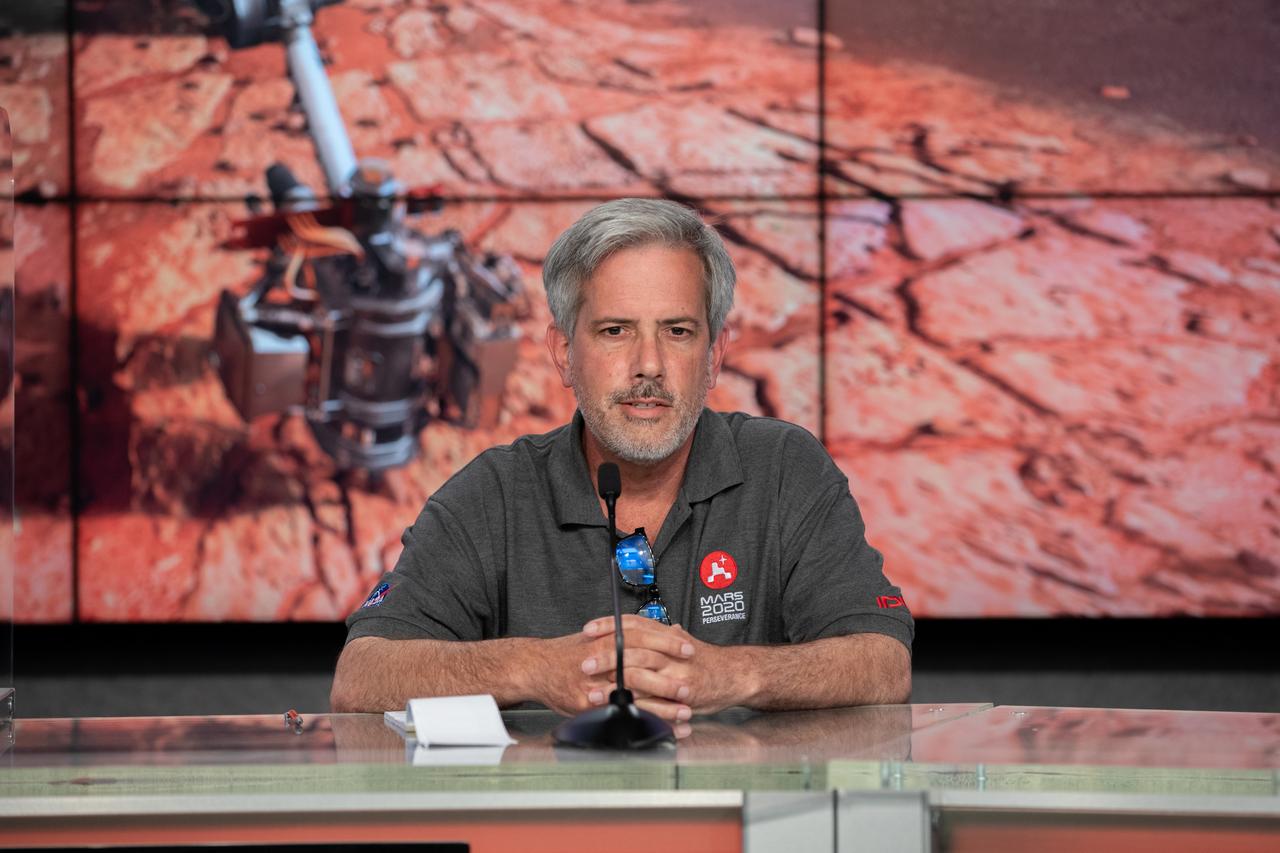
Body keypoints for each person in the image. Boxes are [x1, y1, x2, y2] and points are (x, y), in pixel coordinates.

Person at [330, 199, 913, 727]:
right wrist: (533, 667)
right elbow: (363, 675)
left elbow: (883, 661)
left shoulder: (785, 467)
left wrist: (731, 676)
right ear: (564, 354)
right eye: (615, 331)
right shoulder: (494, 492)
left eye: (678, 332)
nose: (649, 365)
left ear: (714, 356)